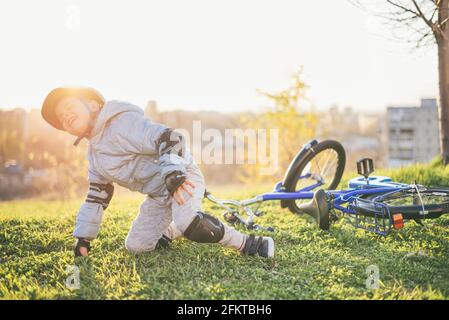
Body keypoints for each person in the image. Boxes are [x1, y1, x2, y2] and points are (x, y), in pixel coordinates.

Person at [41, 87, 275, 258]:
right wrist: (83, 238)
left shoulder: (122, 123)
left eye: (69, 107)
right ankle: (173, 230)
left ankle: (250, 244)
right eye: (62, 118)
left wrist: (174, 173)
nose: (66, 116)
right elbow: (96, 197)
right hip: (159, 195)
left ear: (92, 105)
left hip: (182, 176)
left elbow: (171, 138)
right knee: (136, 247)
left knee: (191, 222)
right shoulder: (95, 156)